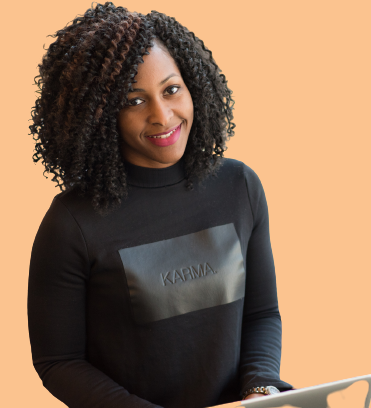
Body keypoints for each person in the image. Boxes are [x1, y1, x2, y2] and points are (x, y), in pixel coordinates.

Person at [27, 2, 293, 407]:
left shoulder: (239, 186)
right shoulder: (71, 224)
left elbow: (262, 314)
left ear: (193, 86)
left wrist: (261, 390)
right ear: (100, 115)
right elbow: (58, 361)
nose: (162, 116)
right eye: (134, 101)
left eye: (171, 90)